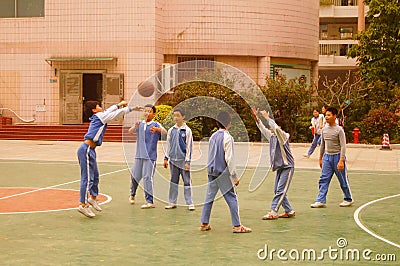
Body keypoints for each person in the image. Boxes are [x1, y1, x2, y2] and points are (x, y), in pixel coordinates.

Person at [77, 100, 132, 218]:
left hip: (91, 150)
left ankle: (93, 198)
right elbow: (115, 114)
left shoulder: (100, 115)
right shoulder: (99, 116)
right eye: (98, 106)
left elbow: (109, 110)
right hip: (85, 149)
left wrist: (119, 104)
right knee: (86, 178)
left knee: (95, 176)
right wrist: (131, 108)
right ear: (94, 110)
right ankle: (83, 204)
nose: (101, 107)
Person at [200, 111, 252, 233]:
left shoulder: (213, 136)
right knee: (232, 198)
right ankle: (237, 225)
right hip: (222, 172)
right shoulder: (228, 138)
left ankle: (204, 223)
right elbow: (229, 158)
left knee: (209, 197)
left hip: (211, 171)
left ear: (217, 122)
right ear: (229, 123)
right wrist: (234, 175)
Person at [251, 107, 296, 220]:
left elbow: (276, 129)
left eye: (273, 125)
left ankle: (273, 211)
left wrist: (268, 118)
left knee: (281, 190)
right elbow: (262, 128)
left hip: (288, 167)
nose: (270, 127)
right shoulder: (272, 136)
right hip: (280, 167)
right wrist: (256, 117)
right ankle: (289, 210)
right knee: (277, 190)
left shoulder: (284, 136)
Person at [310, 106, 353, 208]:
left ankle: (348, 198)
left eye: (329, 115)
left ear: (335, 116)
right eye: (326, 115)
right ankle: (320, 200)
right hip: (327, 158)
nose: (327, 117)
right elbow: (323, 145)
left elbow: (343, 146)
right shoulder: (324, 130)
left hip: (338, 157)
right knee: (323, 178)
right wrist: (320, 158)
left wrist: (341, 160)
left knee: (342, 179)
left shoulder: (339, 130)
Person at [128, 104, 167, 209]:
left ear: (153, 114)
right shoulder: (139, 123)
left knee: (147, 178)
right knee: (135, 176)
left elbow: (166, 132)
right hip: (139, 155)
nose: (147, 113)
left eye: (149, 111)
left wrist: (158, 130)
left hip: (150, 156)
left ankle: (150, 201)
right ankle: (132, 194)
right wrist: (134, 127)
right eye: (145, 111)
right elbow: (130, 131)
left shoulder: (156, 124)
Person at [163, 108, 195, 211]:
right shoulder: (171, 130)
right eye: (174, 115)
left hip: (183, 161)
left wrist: (187, 161)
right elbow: (168, 145)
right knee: (173, 181)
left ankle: (189, 203)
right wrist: (166, 158)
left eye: (178, 115)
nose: (176, 118)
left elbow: (189, 147)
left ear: (183, 116)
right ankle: (172, 202)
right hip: (173, 161)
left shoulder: (187, 130)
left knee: (186, 182)